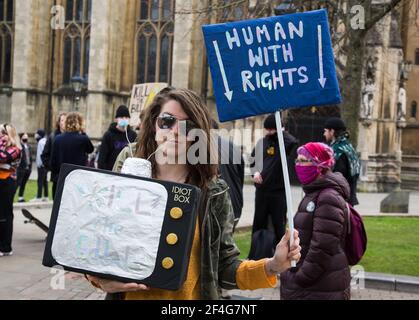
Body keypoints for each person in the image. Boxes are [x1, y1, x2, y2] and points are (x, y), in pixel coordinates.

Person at [87, 88, 301, 300]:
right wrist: (97, 278)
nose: (176, 131)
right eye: (167, 121)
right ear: (154, 124)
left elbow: (224, 266)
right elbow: (100, 239)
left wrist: (272, 266)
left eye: (187, 125)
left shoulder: (213, 192)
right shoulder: (129, 166)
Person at [280, 142, 351, 300]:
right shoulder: (314, 192)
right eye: (297, 160)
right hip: (313, 284)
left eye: (304, 160)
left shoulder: (328, 197)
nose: (298, 164)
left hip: (320, 285)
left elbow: (323, 246)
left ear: (320, 165)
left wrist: (301, 277)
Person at [249, 114, 298, 257]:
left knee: (279, 224)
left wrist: (280, 132)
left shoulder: (284, 143)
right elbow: (252, 162)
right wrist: (255, 173)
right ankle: (255, 254)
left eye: (271, 129)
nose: (268, 133)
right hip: (262, 192)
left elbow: (293, 142)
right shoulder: (262, 143)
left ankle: (280, 254)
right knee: (258, 222)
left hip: (278, 192)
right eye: (267, 129)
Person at [211, 119, 245, 229]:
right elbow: (241, 178)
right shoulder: (233, 147)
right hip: (235, 206)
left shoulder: (204, 147)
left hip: (217, 210)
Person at [323, 117, 360, 206]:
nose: (324, 134)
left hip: (340, 198)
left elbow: (337, 176)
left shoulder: (338, 151)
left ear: (332, 131)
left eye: (325, 131)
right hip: (349, 196)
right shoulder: (348, 147)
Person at [50, 113, 94, 182]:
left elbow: (53, 161)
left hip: (61, 176)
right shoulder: (83, 139)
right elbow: (90, 149)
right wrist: (82, 132)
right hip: (77, 177)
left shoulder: (58, 138)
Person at [0, 124, 22, 257]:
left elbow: (3, 157)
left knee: (5, 215)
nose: (1, 135)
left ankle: (5, 247)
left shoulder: (16, 149)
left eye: (4, 133)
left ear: (11, 135)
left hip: (7, 182)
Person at [98, 105, 137, 171]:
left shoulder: (133, 135)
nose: (124, 119)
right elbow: (102, 157)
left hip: (127, 172)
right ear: (116, 119)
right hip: (110, 172)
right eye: (121, 117)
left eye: (126, 117)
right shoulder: (108, 135)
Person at [42, 112, 67, 199]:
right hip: (56, 174)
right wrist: (51, 167)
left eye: (66, 120)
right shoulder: (53, 136)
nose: (64, 122)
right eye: (62, 120)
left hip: (68, 174)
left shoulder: (72, 136)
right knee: (56, 199)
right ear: (59, 122)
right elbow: (45, 154)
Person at [16, 133, 32, 203]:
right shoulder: (19, 147)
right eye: (24, 137)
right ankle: (12, 196)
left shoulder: (28, 146)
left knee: (23, 183)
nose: (26, 138)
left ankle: (20, 197)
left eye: (27, 137)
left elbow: (30, 157)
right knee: (18, 183)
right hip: (21, 168)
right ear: (21, 138)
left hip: (28, 168)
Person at [33, 129, 49, 201]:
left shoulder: (40, 142)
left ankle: (39, 196)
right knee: (45, 181)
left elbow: (40, 154)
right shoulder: (45, 141)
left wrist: (39, 164)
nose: (35, 135)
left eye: (36, 133)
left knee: (40, 180)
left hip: (41, 165)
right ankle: (46, 196)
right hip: (45, 165)